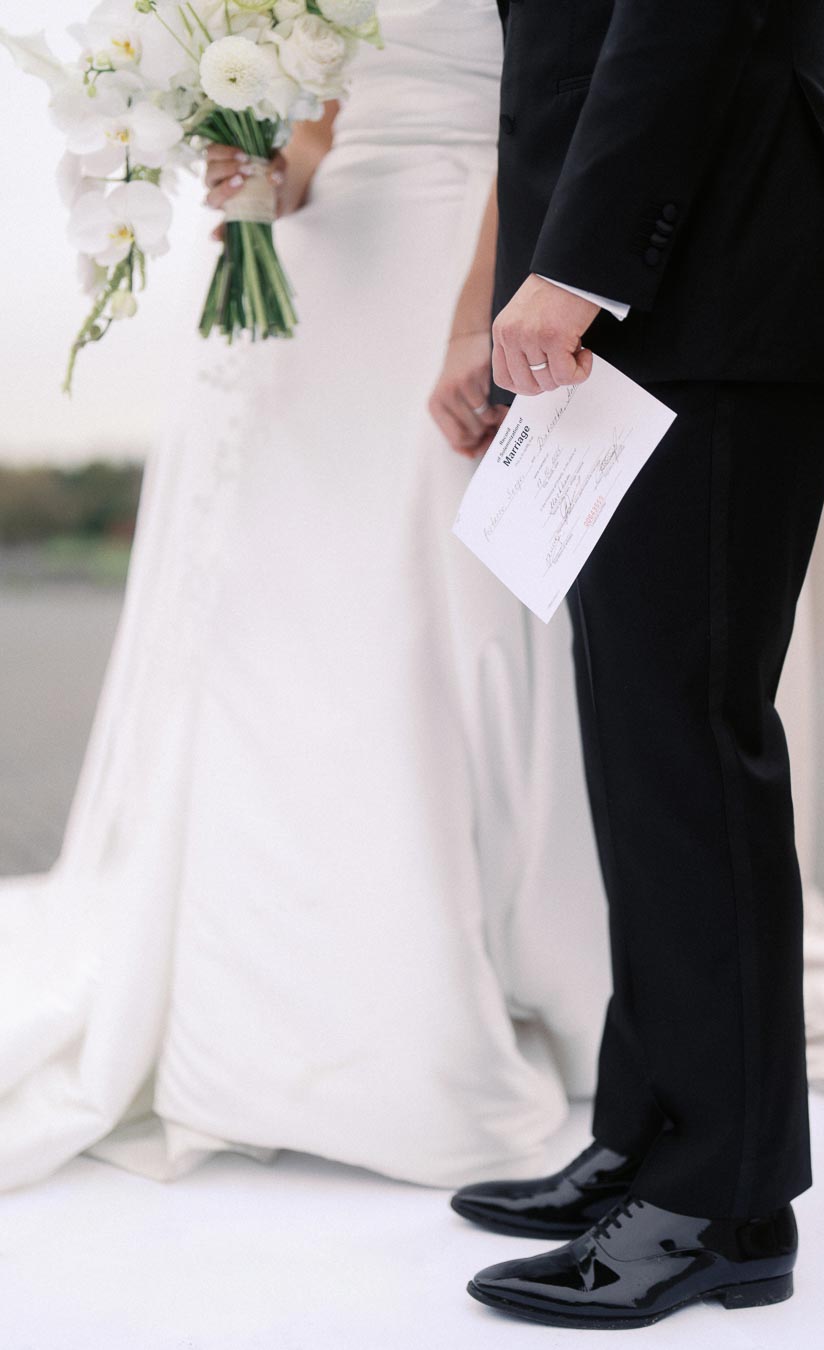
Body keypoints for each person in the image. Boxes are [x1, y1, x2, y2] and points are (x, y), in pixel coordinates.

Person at [0, 0, 610, 1192]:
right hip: (327, 276)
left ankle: (466, 964)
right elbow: (326, 129)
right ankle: (259, 997)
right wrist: (264, 177)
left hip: (464, 252)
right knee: (283, 629)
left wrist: (483, 303)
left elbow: (548, 97)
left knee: (433, 631)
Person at [453, 0, 824, 1329]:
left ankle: (726, 1200)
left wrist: (579, 258)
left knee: (691, 731)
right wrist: (530, 283)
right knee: (639, 737)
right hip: (632, 289)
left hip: (717, 258)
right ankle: (651, 1137)